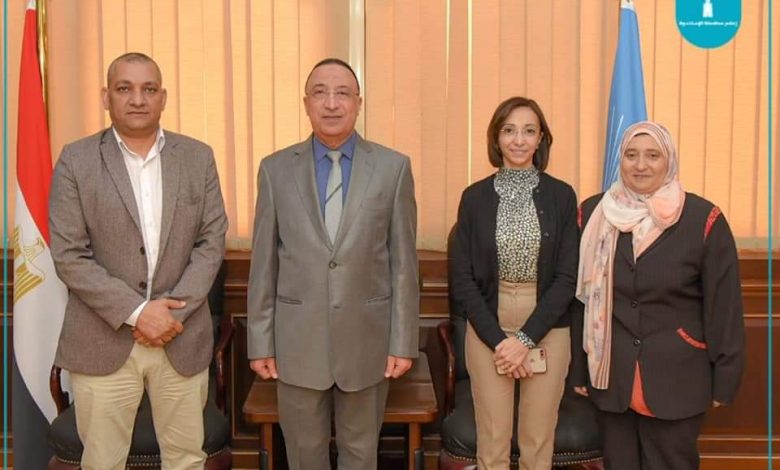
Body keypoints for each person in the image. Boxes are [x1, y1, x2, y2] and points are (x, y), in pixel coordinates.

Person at [49, 52, 228, 470]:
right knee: (103, 462)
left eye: (149, 89)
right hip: (102, 338)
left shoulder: (197, 157)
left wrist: (168, 315)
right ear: (105, 97)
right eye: (124, 88)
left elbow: (211, 243)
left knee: (187, 461)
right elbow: (69, 254)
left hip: (180, 337)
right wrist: (138, 313)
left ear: (163, 97)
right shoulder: (76, 160)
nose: (137, 99)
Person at [247, 58, 419, 470]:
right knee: (304, 455)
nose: (331, 103)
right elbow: (263, 265)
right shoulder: (275, 170)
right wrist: (260, 342)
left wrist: (402, 341)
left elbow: (403, 265)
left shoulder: (393, 168)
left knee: (361, 454)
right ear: (306, 103)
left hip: (368, 342)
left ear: (359, 103)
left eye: (342, 93)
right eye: (320, 93)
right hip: (296, 343)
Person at [571, 121, 745, 470]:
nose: (641, 165)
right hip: (610, 376)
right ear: (620, 160)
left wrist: (725, 379)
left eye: (653, 155)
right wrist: (578, 371)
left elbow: (724, 307)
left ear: (670, 161)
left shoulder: (703, 218)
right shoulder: (593, 214)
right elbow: (580, 301)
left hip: (678, 376)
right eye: (631, 155)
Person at [449, 96, 579, 469]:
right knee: (492, 440)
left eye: (529, 131)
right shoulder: (473, 198)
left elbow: (567, 277)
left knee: (538, 440)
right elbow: (462, 279)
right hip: (487, 323)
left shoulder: (562, 196)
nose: (518, 140)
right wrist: (500, 342)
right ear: (496, 138)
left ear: (541, 139)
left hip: (547, 324)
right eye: (509, 130)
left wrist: (524, 340)